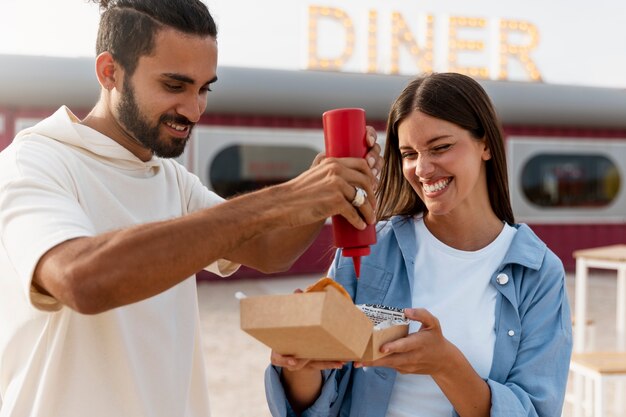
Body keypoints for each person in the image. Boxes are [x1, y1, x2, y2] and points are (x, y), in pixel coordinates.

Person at [0, 1, 383, 416]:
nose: (194, 108)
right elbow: (80, 280)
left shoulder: (170, 178)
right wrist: (285, 197)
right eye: (174, 86)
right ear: (110, 71)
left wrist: (325, 185)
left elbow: (269, 251)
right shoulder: (34, 162)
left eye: (204, 88)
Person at [266, 72, 573, 417]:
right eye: (409, 154)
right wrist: (300, 361)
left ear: (486, 144)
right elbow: (320, 399)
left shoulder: (538, 272)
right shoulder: (370, 250)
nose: (423, 169)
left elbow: (536, 409)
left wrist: (446, 365)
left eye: (440, 147)